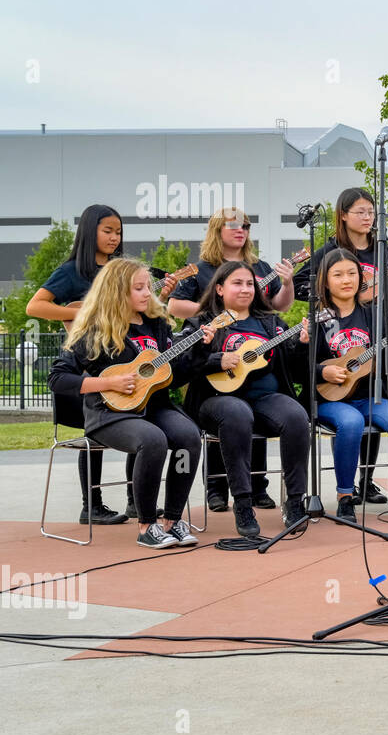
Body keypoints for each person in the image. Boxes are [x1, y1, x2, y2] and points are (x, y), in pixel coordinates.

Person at [27, 205, 177, 524]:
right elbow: (35, 306)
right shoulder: (73, 271)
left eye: (118, 232)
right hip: (92, 359)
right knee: (93, 431)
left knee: (140, 415)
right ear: (89, 231)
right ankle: (91, 504)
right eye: (107, 230)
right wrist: (86, 315)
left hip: (127, 359)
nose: (114, 237)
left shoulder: (121, 269)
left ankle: (136, 501)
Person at [48, 258, 201, 549]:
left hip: (154, 407)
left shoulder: (156, 324)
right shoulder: (93, 329)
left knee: (188, 437)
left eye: (147, 287)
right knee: (153, 440)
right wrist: (109, 383)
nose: (148, 293)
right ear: (116, 291)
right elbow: (58, 378)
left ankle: (172, 519)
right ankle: (146, 526)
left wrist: (199, 351)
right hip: (109, 414)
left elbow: (172, 374)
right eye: (139, 288)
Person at [293, 188, 388, 506]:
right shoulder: (329, 251)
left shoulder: (383, 248)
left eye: (371, 212)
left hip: (375, 331)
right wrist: (332, 293)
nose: (368, 217)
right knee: (351, 420)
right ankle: (345, 494)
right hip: (334, 358)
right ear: (343, 214)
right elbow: (299, 285)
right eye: (361, 211)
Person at [169, 206, 294, 513]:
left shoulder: (260, 267)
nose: (241, 230)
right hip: (213, 352)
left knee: (261, 398)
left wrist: (287, 283)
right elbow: (174, 305)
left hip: (255, 347)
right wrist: (212, 314)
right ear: (217, 229)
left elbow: (278, 305)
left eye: (246, 226)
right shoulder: (202, 269)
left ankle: (258, 486)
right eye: (234, 225)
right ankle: (216, 487)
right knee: (226, 409)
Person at [301, 249, 388, 526]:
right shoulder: (318, 319)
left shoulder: (374, 315)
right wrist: (322, 370)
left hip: (369, 397)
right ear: (325, 281)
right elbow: (300, 366)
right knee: (350, 422)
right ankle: (345, 497)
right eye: (338, 274)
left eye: (352, 273)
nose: (346, 280)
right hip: (330, 399)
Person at [180, 261, 311, 538]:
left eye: (250, 283)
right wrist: (217, 359)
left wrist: (301, 343)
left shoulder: (271, 322)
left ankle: (296, 500)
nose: (245, 289)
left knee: (297, 416)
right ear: (218, 289)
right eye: (237, 283)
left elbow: (297, 369)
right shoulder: (203, 322)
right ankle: (242, 502)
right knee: (237, 414)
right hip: (216, 399)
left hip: (265, 397)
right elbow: (183, 363)